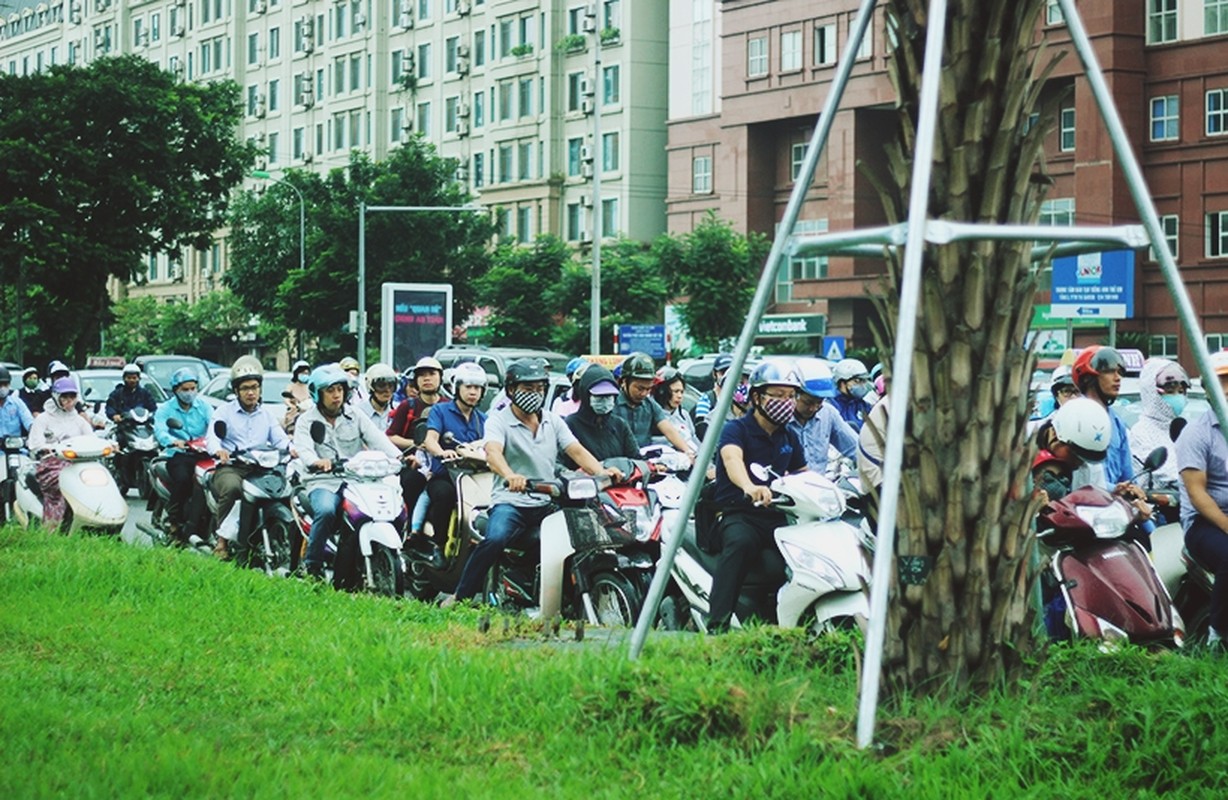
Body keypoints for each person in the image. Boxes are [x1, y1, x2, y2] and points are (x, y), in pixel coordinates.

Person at [444, 359, 623, 606]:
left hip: (547, 500)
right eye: (527, 389)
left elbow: (577, 451)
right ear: (511, 391)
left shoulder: (553, 421)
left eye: (539, 388)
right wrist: (509, 476)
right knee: (495, 539)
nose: (535, 394)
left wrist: (603, 472)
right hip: (510, 502)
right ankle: (461, 596)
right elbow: (493, 453)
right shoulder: (498, 420)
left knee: (579, 538)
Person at [707, 361, 808, 631]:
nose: (786, 402)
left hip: (777, 516)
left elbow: (804, 474)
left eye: (791, 396)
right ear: (757, 397)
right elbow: (732, 459)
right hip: (738, 514)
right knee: (740, 544)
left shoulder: (790, 436)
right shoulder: (736, 430)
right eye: (778, 395)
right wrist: (749, 487)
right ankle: (717, 624)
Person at [295, 366, 403, 581]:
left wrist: (400, 458)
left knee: (385, 508)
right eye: (330, 391)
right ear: (317, 394)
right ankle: (312, 566)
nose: (336, 395)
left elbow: (377, 439)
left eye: (339, 390)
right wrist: (317, 461)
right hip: (323, 480)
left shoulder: (355, 415)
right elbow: (304, 450)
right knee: (326, 511)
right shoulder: (306, 420)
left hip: (357, 479)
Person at [206, 356, 291, 562]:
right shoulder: (224, 412)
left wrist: (293, 450)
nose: (251, 392)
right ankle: (222, 541)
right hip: (232, 467)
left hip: (260, 468)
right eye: (245, 388)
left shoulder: (267, 415)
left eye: (255, 387)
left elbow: (280, 439)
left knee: (284, 489)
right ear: (236, 391)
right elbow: (212, 438)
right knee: (233, 488)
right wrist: (219, 451)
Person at [410, 362, 489, 560]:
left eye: (477, 388)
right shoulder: (440, 411)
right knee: (444, 495)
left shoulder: (484, 418)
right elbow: (430, 440)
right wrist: (442, 453)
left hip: (476, 477)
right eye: (468, 387)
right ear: (456, 388)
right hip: (446, 475)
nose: (473, 392)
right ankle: (438, 545)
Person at [1177, 351, 1228, 648]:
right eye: (1220, 380)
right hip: (1203, 523)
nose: (1226, 388)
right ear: (1206, 389)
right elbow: (1197, 493)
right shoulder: (1196, 434)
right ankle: (1218, 636)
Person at [153, 367, 214, 545]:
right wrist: (172, 441)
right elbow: (160, 429)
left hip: (203, 455)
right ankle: (174, 521)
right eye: (185, 389)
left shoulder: (204, 407)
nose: (189, 393)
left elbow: (214, 425)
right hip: (179, 455)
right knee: (183, 480)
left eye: (193, 388)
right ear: (176, 390)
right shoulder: (166, 409)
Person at [26, 377, 93, 531]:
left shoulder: (78, 420)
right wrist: (47, 448)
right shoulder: (43, 419)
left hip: (78, 465)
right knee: (59, 488)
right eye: (65, 397)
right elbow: (34, 443)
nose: (69, 401)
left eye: (72, 397)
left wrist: (110, 445)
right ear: (56, 397)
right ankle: (51, 528)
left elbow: (91, 438)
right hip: (51, 465)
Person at [387, 356, 448, 521]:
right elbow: (390, 437)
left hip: (444, 465)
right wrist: (416, 444)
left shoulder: (449, 406)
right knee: (411, 481)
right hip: (414, 463)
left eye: (431, 373)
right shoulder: (408, 406)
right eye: (422, 375)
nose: (427, 378)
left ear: (440, 377)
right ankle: (408, 526)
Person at [1071, 346, 1133, 489]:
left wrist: (1132, 490)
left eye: (1120, 372)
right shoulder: (1074, 416)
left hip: (1115, 506)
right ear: (1089, 378)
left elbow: (1127, 474)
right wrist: (1114, 489)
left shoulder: (1117, 422)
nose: (1118, 378)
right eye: (1109, 371)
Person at [612, 352, 694, 454]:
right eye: (640, 388)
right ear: (624, 382)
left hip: (644, 463)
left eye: (648, 389)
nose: (644, 393)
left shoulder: (650, 405)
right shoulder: (611, 405)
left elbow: (668, 430)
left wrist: (687, 451)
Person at [790, 357, 857, 475]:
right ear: (794, 394)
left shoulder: (828, 413)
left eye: (819, 402)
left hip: (820, 488)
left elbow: (856, 449)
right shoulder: (779, 419)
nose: (814, 408)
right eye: (808, 402)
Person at [1128, 358, 1189, 486]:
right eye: (1170, 392)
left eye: (1181, 392)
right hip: (1152, 503)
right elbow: (1169, 474)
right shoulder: (1141, 433)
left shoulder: (1181, 430)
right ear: (1152, 393)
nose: (1178, 397)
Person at [563, 365, 639, 466]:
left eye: (609, 396)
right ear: (586, 395)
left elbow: (635, 458)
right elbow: (559, 464)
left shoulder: (619, 425)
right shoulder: (571, 425)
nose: (604, 401)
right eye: (599, 396)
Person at [652, 367, 700, 453]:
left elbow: (695, 441)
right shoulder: (651, 415)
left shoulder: (684, 415)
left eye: (681, 392)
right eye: (676, 391)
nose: (680, 396)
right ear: (662, 391)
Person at [693, 354, 733, 440]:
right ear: (714, 374)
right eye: (723, 372)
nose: (726, 376)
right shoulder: (707, 399)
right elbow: (701, 428)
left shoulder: (740, 398)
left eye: (730, 372)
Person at [831, 358, 873, 431]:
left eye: (864, 381)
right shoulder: (831, 405)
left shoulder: (864, 406)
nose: (863, 385)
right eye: (858, 381)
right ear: (842, 383)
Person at [359, 362, 398, 430]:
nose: (387, 391)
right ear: (370, 387)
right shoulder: (359, 412)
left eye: (391, 386)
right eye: (381, 386)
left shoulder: (399, 409)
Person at [0, 366, 34, 440]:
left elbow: (29, 421)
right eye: (0, 385)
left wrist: (34, 432)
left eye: (5, 384)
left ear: (9, 384)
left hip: (15, 447)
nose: (2, 388)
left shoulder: (17, 403)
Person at [283, 359, 312, 435]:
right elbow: (286, 399)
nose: (305, 375)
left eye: (306, 373)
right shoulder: (291, 386)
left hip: (308, 413)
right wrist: (292, 406)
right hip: (295, 413)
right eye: (302, 373)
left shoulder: (310, 387)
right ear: (296, 374)